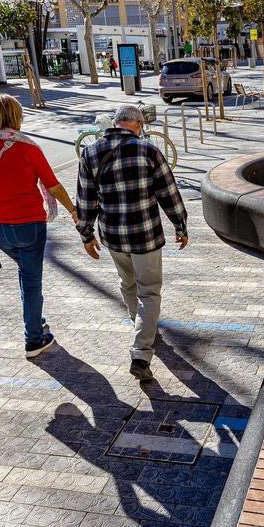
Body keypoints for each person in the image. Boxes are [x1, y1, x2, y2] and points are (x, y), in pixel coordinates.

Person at [76, 104, 188, 382]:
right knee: (149, 292)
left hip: (113, 236)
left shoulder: (90, 153)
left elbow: (85, 200)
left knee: (128, 284)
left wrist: (86, 234)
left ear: (115, 124)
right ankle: (141, 351)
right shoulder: (148, 151)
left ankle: (142, 327)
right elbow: (168, 192)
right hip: (145, 235)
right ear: (137, 125)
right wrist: (180, 224)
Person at [0, 95, 77, 357]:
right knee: (31, 280)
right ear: (17, 117)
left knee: (26, 273)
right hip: (29, 226)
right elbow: (53, 185)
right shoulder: (29, 148)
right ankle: (34, 340)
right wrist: (73, 210)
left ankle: (35, 322)